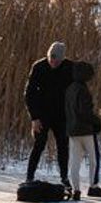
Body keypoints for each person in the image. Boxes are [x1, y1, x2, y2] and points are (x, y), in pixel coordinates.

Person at [23, 41, 74, 189]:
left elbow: (76, 91)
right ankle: (29, 176)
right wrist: (34, 118)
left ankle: (64, 177)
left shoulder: (69, 67)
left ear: (62, 59)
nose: (53, 62)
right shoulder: (38, 67)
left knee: (63, 146)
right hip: (41, 114)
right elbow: (29, 94)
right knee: (39, 144)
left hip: (61, 116)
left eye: (56, 60)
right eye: (51, 59)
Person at [63, 60, 101, 200]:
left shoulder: (69, 89)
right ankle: (93, 187)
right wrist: (97, 122)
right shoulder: (83, 90)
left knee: (75, 162)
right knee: (94, 160)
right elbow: (84, 112)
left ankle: (76, 190)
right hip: (86, 131)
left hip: (72, 131)